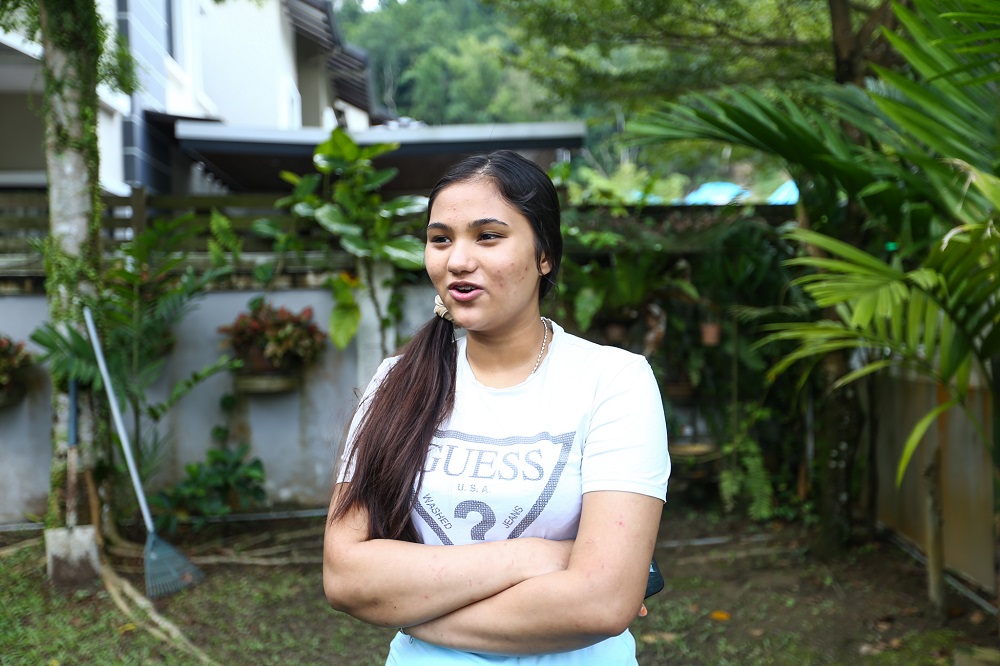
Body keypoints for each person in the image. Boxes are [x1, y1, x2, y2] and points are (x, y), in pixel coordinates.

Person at [324, 150, 670, 665]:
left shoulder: (614, 381)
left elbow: (600, 603)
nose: (458, 259)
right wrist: (540, 557)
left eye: (488, 235)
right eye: (441, 238)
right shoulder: (394, 383)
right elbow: (345, 575)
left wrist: (411, 608)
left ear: (545, 253)